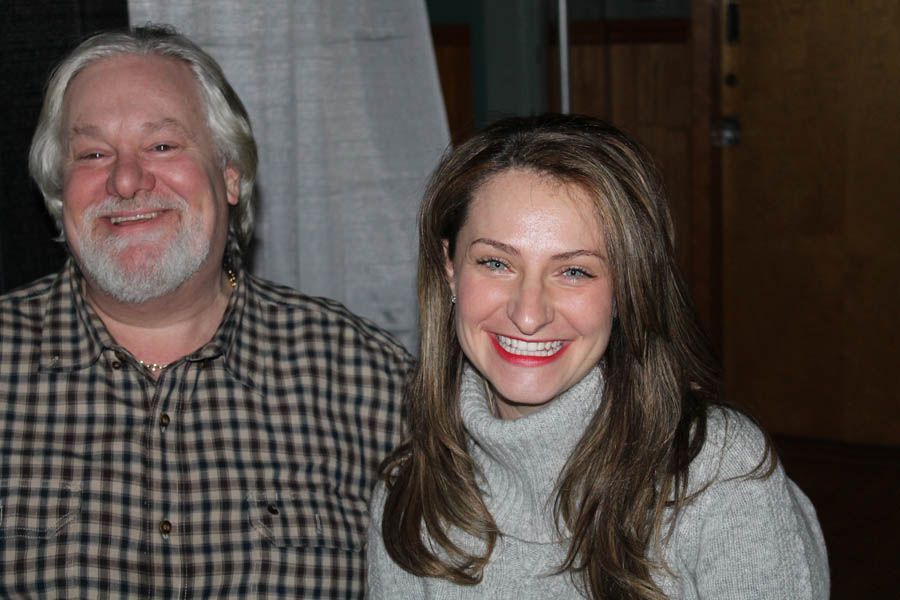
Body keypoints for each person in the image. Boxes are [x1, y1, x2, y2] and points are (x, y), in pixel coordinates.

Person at [0, 25, 411, 598]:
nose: (125, 179)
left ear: (230, 175)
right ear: (57, 193)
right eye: (93, 153)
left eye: (163, 146)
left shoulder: (372, 383)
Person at [367, 114, 829, 599]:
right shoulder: (409, 496)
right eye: (496, 263)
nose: (528, 314)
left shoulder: (717, 476)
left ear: (627, 290)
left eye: (574, 272)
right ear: (450, 269)